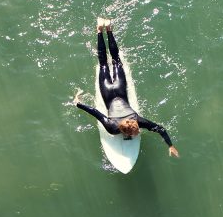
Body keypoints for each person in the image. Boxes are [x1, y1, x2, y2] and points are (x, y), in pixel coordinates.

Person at [73, 18, 180, 158]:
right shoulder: (112, 127)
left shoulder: (135, 119)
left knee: (116, 60)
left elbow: (160, 129)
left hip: (119, 86)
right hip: (107, 89)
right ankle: (100, 30)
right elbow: (95, 112)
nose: (138, 132)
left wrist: (170, 145)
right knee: (104, 63)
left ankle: (108, 28)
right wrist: (78, 103)